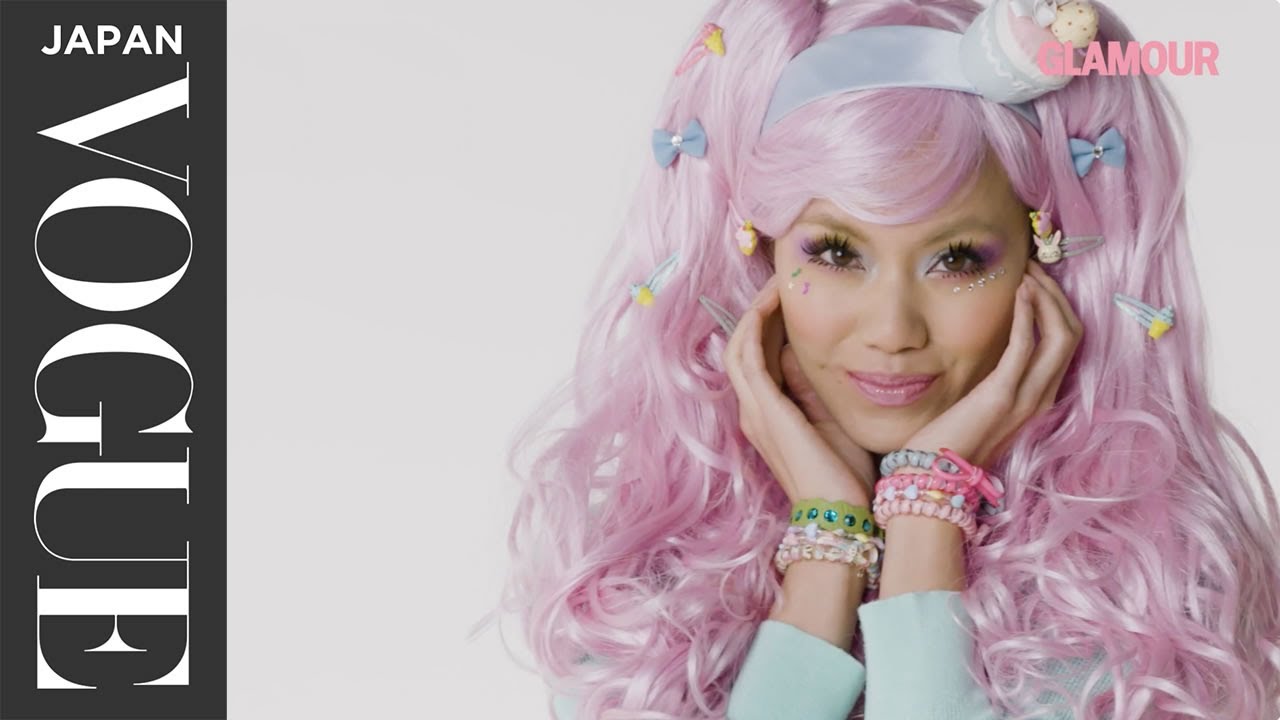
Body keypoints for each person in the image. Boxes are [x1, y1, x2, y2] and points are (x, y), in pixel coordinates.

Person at [485, 0, 1280, 718]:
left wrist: (929, 510)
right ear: (759, 255)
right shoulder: (644, 585)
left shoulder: (1148, 591)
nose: (893, 329)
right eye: (836, 253)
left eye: (958, 260)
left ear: (1045, 268)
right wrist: (826, 550)